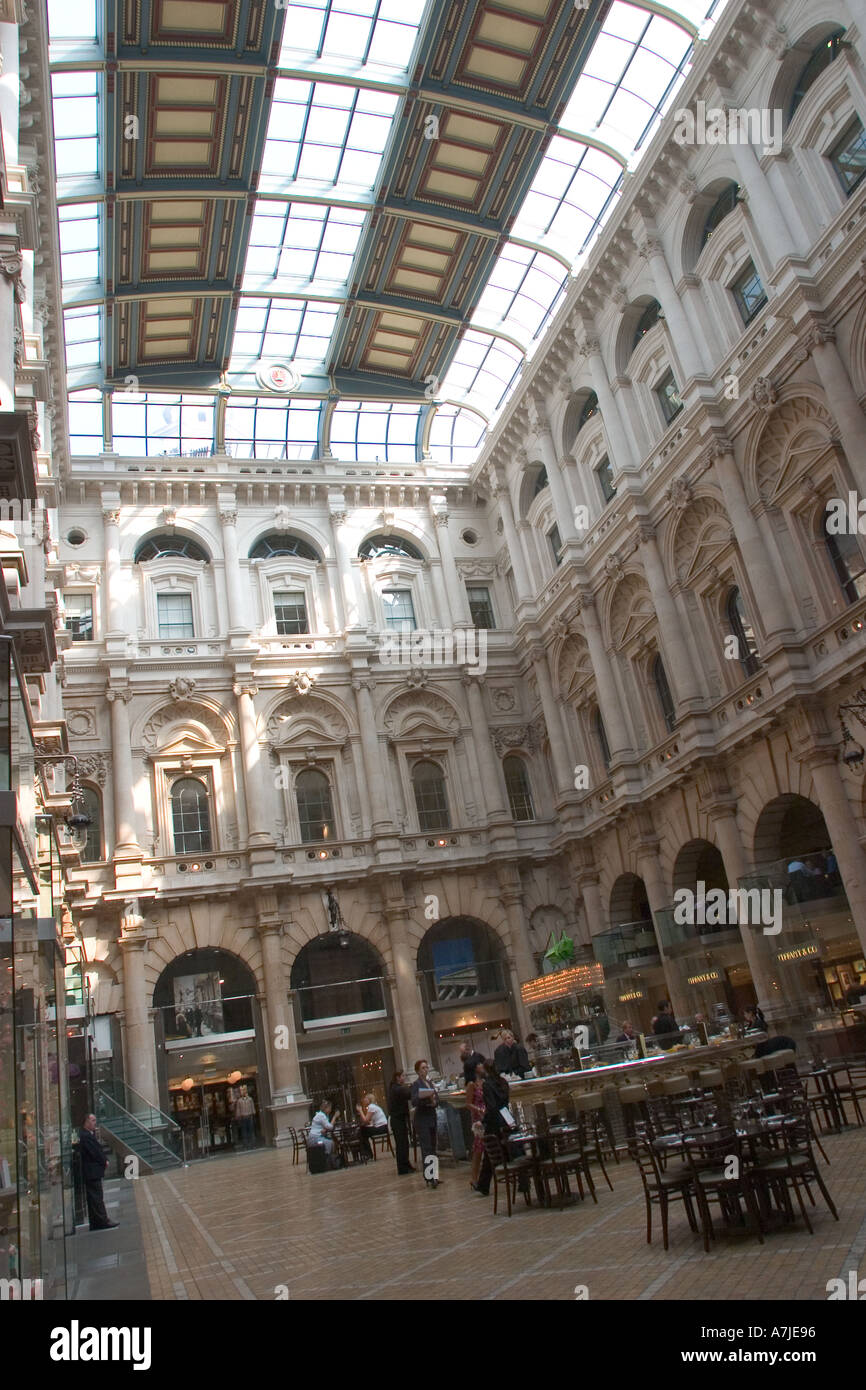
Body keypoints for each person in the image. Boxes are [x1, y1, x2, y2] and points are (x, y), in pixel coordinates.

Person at [472, 1061, 522, 1198]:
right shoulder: (503, 1082)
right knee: (514, 1149)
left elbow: (491, 1107)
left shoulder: (487, 1085)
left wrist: (483, 1121)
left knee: (491, 1152)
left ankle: (483, 1185)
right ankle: (522, 1181)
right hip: (507, 1117)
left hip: (495, 1122)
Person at [78, 1114, 117, 1231]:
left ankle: (97, 1222)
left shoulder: (88, 1134)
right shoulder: (85, 1136)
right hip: (92, 1171)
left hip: (93, 1171)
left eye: (95, 1120)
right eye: (93, 1120)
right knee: (96, 1197)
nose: (95, 1122)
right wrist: (104, 1161)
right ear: (86, 1122)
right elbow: (95, 1152)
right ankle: (102, 1220)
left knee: (95, 1197)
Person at [410, 1060, 440, 1187]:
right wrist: (425, 1099)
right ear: (417, 1071)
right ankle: (429, 1176)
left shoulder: (429, 1083)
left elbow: (436, 1097)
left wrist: (434, 1102)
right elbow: (414, 1100)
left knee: (433, 1147)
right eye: (423, 1068)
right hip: (422, 1118)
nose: (425, 1070)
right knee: (426, 1147)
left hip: (431, 1116)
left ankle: (435, 1175)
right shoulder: (416, 1084)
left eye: (426, 1067)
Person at [388, 1071, 415, 1175]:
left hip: (398, 1119)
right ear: (398, 1077)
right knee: (401, 1144)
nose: (404, 1077)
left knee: (403, 1143)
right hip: (398, 1120)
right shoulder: (397, 1089)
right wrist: (413, 1087)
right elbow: (409, 1094)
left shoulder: (395, 1088)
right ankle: (403, 1168)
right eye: (403, 1076)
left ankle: (405, 1165)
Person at [466, 1069, 486, 1188]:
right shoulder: (471, 1084)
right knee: (478, 1148)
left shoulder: (484, 1082)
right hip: (477, 1117)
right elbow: (468, 1103)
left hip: (485, 1116)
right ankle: (474, 1178)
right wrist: (478, 1109)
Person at [356, 1092, 389, 1160]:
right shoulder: (373, 1107)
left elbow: (365, 1120)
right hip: (382, 1127)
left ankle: (367, 1154)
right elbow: (368, 1121)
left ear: (369, 1100)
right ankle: (367, 1153)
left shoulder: (371, 1107)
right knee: (362, 1132)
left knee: (362, 1132)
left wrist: (360, 1111)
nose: (364, 1100)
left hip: (381, 1128)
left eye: (365, 1098)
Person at [234, 1084, 256, 1149]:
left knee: (251, 1131)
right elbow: (238, 1109)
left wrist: (253, 1113)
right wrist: (238, 1116)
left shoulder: (250, 1099)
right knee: (244, 1132)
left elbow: (252, 1107)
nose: (243, 1092)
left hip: (249, 1116)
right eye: (242, 1091)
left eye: (244, 1090)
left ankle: (252, 1144)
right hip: (243, 1117)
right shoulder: (239, 1101)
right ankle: (246, 1145)